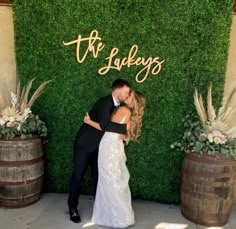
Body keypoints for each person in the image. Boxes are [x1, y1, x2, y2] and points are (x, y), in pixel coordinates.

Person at [67, 79, 131, 223]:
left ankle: (102, 211)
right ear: (117, 90)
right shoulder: (104, 103)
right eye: (126, 92)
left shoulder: (121, 106)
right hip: (84, 145)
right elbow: (105, 126)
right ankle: (72, 208)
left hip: (100, 148)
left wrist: (127, 134)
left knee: (100, 177)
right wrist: (125, 128)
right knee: (78, 176)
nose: (127, 95)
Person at [84, 90, 146, 228]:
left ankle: (114, 216)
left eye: (129, 96)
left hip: (108, 145)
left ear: (134, 101)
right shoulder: (130, 113)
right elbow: (127, 134)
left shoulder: (123, 109)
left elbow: (105, 127)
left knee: (108, 179)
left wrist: (88, 121)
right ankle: (121, 216)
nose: (127, 96)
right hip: (116, 146)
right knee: (114, 178)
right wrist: (126, 136)